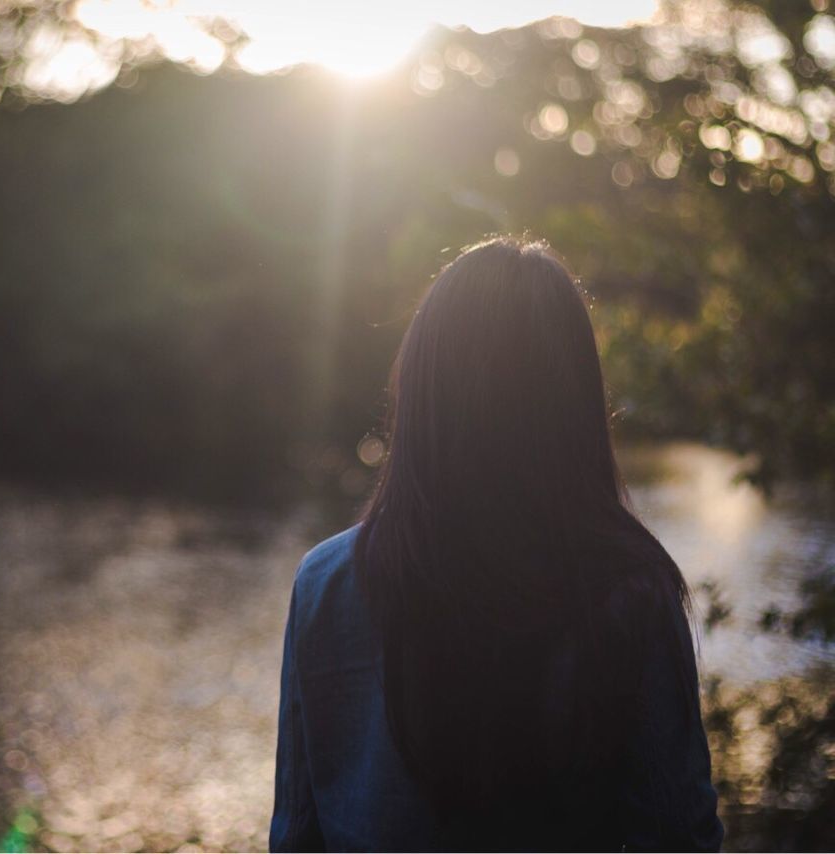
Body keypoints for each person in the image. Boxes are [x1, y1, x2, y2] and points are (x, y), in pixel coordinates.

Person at [270, 237, 724, 852]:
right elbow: (679, 838)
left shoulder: (324, 583)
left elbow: (298, 835)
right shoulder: (630, 591)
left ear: (424, 388)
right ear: (572, 402)